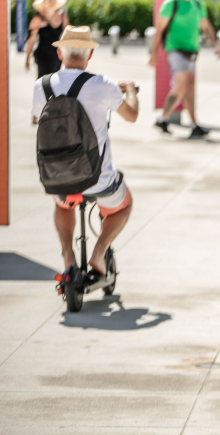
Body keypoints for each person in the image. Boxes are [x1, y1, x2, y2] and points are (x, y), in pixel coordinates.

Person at [31, 26, 139, 280]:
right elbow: (132, 116)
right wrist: (131, 90)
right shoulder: (103, 84)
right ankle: (99, 251)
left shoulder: (42, 86)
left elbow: (39, 119)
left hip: (60, 178)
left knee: (63, 204)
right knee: (124, 205)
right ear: (89, 55)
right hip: (98, 180)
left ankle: (68, 257)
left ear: (60, 54)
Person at [149, 0, 220, 138]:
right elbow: (159, 31)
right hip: (175, 49)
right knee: (183, 83)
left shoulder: (198, 4)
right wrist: (154, 54)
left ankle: (173, 121)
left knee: (185, 87)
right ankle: (167, 119)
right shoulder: (171, 3)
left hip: (192, 51)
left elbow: (205, 25)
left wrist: (215, 45)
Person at [26, 0, 69, 80]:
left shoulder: (62, 16)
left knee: (55, 81)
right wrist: (27, 57)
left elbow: (67, 36)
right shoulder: (37, 18)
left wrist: (68, 55)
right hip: (42, 55)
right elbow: (31, 39)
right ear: (43, 2)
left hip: (57, 55)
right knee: (42, 81)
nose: (50, 2)